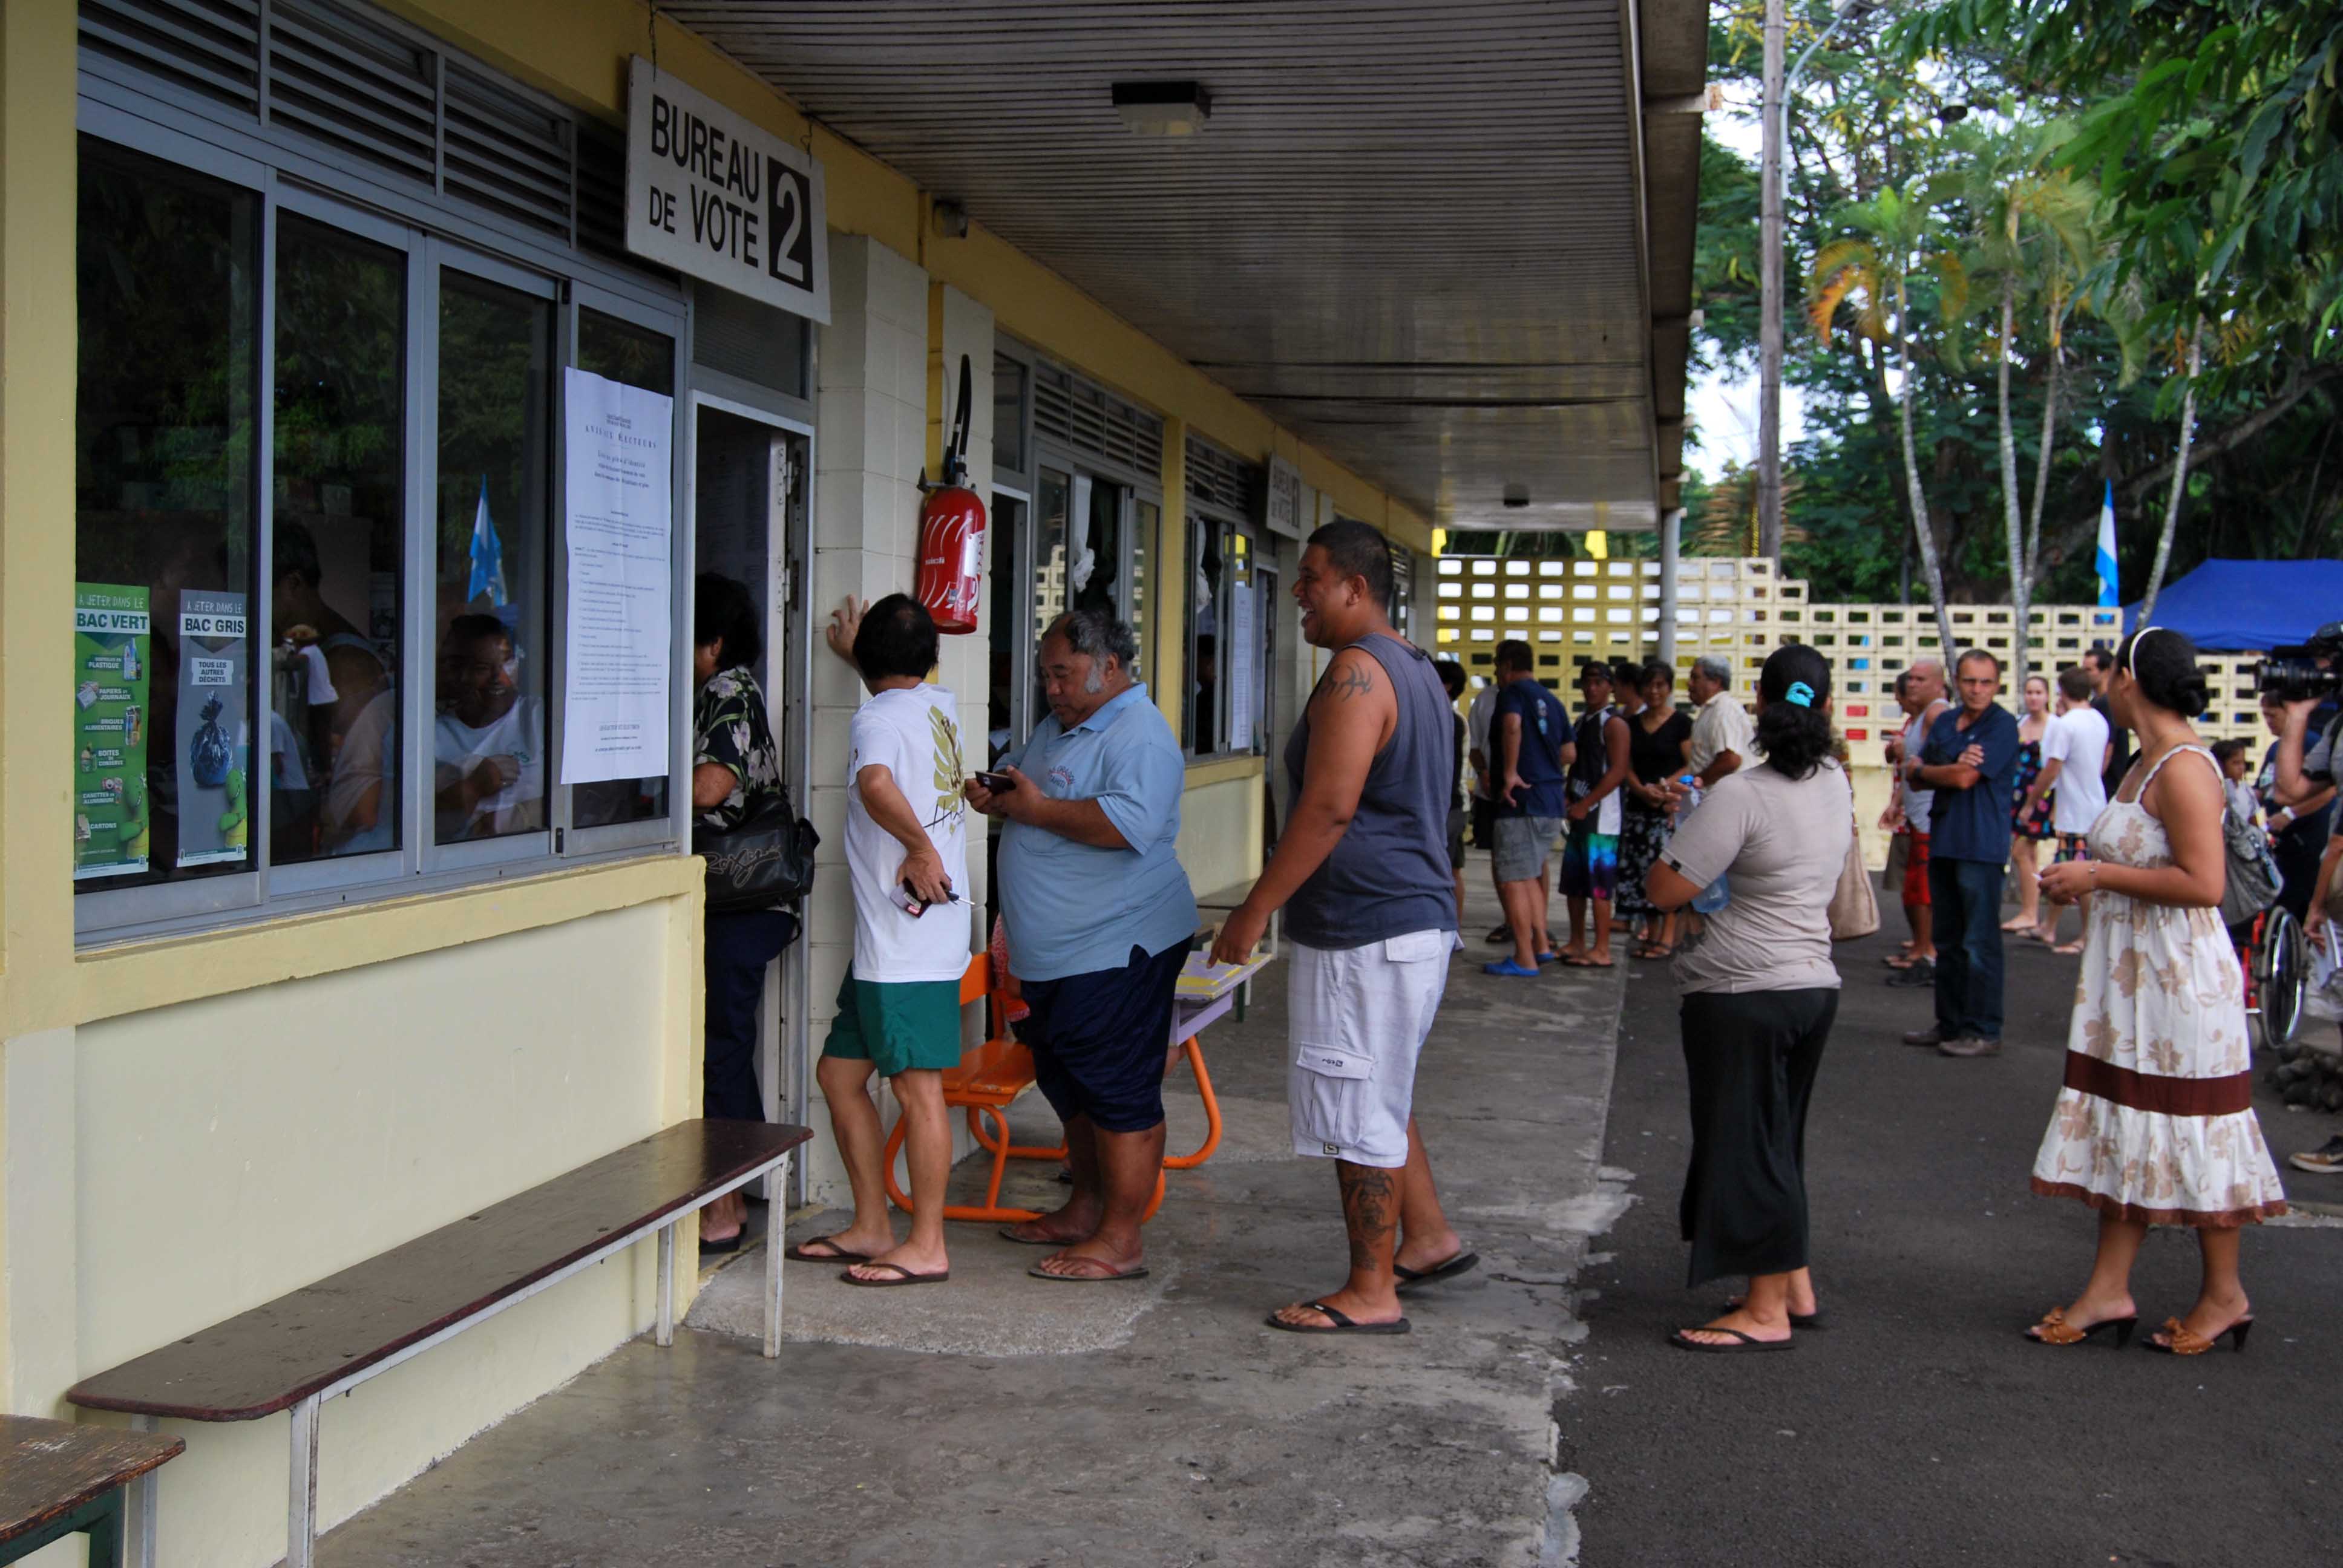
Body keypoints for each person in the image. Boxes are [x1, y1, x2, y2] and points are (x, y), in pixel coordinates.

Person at [1212, 518, 1472, 1335]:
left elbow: (1328, 808)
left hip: (1367, 929)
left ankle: (1370, 1290)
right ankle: (1425, 1238)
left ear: (1357, 589)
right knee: (1378, 1088)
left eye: (1312, 578)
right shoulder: (1416, 668)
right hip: (1408, 921)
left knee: (1357, 1108)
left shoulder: (1357, 672)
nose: (1298, 592)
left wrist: (1255, 908)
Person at [2025, 627, 2288, 1353]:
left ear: (2129, 680)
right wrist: (2089, 885)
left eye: (2109, 671)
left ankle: (2224, 1295)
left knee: (2194, 1125)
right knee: (2129, 1118)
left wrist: (2097, 875)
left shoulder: (2183, 767)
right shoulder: (2140, 760)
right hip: (2133, 977)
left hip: (2179, 981)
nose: (2101, 681)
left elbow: (2203, 883)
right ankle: (2107, 1290)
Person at [969, 609, 1194, 1282]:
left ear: (1109, 667)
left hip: (1115, 946)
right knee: (1069, 1084)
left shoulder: (1139, 734)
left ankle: (1121, 1239)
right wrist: (998, 792)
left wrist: (1035, 810)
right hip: (1055, 954)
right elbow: (1026, 777)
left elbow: (1126, 826)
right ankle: (1086, 1208)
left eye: (1063, 674)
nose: (1052, 689)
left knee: (1119, 1092)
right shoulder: (1059, 726)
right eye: (1046, 675)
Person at [1642, 644, 1850, 1351]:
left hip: (1741, 992)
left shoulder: (1740, 795)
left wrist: (1686, 821)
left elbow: (1664, 889)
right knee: (1776, 1140)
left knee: (1746, 1146)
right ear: (1826, 708)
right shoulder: (1835, 782)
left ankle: (1764, 1312)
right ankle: (1792, 1286)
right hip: (1810, 988)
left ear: (1757, 704)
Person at [786, 594, 971, 1286]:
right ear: (932, 658)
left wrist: (919, 847)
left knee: (918, 1092)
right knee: (840, 1076)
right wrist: (859, 659)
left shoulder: (875, 720)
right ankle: (871, 1225)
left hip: (906, 947)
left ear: (867, 660)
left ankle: (927, 1245)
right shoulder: (938, 706)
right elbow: (894, 712)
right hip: (891, 946)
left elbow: (874, 781)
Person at [690, 573, 801, 1252]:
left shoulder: (726, 689)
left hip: (741, 899)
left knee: (720, 1052)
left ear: (714, 641)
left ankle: (727, 1207)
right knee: (720, 1049)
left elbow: (711, 786)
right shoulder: (733, 689)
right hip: (744, 903)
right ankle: (733, 1194)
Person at [1900, 650, 2020, 1059]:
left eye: (1986, 682)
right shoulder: (1947, 721)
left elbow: (1964, 777)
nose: (1977, 689)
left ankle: (1984, 1030)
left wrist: (1930, 767)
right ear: (1957, 681)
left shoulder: (2002, 725)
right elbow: (1918, 777)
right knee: (1948, 940)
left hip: (1981, 846)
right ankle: (1950, 1024)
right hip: (1945, 840)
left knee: (1979, 942)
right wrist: (1932, 768)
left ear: (1998, 685)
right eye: (1970, 681)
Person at [1486, 639, 1573, 977]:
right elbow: (1569, 753)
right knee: (1530, 876)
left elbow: (1512, 725)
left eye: (1497, 665)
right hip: (1549, 800)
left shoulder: (1513, 693)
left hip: (1520, 801)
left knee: (1513, 880)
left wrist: (1511, 772)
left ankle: (1524, 956)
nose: (1496, 673)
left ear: (1507, 665)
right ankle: (1541, 945)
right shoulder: (1552, 700)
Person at [433, 614, 546, 840]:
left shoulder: (539, 717)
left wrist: (520, 817)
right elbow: (422, 823)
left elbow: (579, 794)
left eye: (507, 664)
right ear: (459, 673)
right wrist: (474, 786)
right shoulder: (434, 735)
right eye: (482, 668)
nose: (499, 678)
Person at [2027, 666, 2110, 953]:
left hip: (2075, 811)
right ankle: (2049, 927)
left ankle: (2086, 937)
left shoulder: (2065, 724)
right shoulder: (2098, 719)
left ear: (2062, 692)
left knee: (2081, 875)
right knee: (2064, 868)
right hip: (2093, 803)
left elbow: (2052, 767)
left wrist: (2032, 802)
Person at [1617, 661, 1694, 959]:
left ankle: (1668, 937)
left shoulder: (1681, 723)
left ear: (1670, 688)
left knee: (1666, 871)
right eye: (1649, 685)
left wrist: (1664, 787)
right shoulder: (1631, 725)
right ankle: (1651, 933)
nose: (1654, 691)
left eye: (1660, 685)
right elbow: (1625, 765)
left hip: (1669, 810)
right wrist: (1640, 789)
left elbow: (1690, 764)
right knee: (1641, 873)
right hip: (1638, 809)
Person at [1559, 662, 1631, 967]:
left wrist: (1586, 803)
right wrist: (1569, 796)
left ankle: (1602, 948)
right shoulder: (1581, 722)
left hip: (1602, 817)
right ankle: (1577, 941)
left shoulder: (1613, 724)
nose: (1591, 688)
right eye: (1587, 682)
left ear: (1610, 686)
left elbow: (1618, 771)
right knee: (1574, 884)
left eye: (1598, 682)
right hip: (1580, 812)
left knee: (1600, 885)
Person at [1883, 658, 1949, 987]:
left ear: (1938, 684)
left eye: (1921, 679)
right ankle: (1921, 949)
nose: (1912, 684)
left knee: (1922, 890)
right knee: (1913, 888)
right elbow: (1912, 765)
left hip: (1930, 816)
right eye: (1911, 679)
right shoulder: (1921, 716)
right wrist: (1897, 803)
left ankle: (1928, 953)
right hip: (1917, 814)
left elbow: (1945, 760)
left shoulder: (1937, 713)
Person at [2257, 687, 2339, 924]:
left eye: (2273, 715)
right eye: (2264, 715)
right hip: (2284, 843)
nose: (2268, 721)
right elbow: (2269, 788)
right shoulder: (2276, 749)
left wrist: (2291, 814)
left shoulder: (2312, 742)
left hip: (2312, 838)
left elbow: (2331, 789)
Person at [2004, 674, 2056, 933]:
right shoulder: (2019, 722)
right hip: (2018, 793)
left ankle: (2029, 912)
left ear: (2047, 696)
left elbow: (2057, 766)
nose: (2033, 698)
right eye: (2029, 693)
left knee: (2021, 852)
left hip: (2041, 797)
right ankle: (2030, 911)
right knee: (2028, 854)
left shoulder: (2055, 726)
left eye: (2038, 693)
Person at [1466, 673, 1509, 941]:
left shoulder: (1533, 698)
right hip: (1490, 792)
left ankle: (1535, 925)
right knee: (1498, 855)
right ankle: (1511, 919)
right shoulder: (1485, 700)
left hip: (1522, 793)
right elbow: (1474, 746)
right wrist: (1483, 773)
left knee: (1532, 863)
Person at [1434, 658, 1472, 926]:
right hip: (1455, 807)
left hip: (1448, 808)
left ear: (1446, 686)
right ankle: (1452, 930)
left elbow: (1445, 769)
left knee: (1442, 872)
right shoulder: (1450, 718)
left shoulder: (1448, 719)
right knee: (1452, 870)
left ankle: (1447, 928)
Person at [1686, 655, 1752, 791]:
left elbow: (1731, 760)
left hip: (1729, 798)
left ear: (1716, 682)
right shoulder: (1711, 710)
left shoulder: (1724, 709)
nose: (1689, 684)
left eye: (1695, 678)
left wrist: (1697, 783)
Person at [2081, 644, 2134, 802]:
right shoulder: (2095, 702)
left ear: (2106, 672)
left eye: (2089, 670)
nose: (2084, 675)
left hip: (2109, 784)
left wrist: (2093, 782)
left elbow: (2108, 747)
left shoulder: (2108, 703)